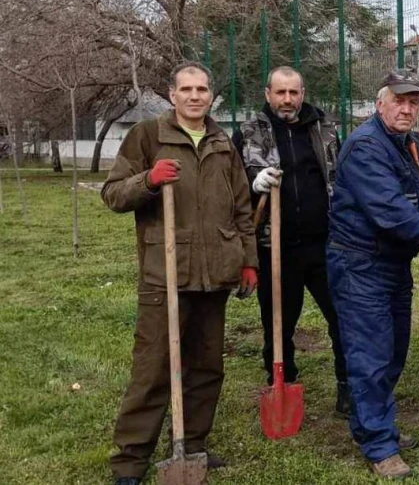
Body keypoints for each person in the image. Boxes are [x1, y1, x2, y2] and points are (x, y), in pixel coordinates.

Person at [102, 62, 257, 485]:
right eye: (186, 89)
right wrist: (148, 181)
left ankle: (193, 446)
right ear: (172, 94)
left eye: (202, 89)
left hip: (216, 272)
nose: (194, 96)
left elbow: (242, 206)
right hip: (165, 271)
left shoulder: (223, 139)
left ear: (211, 96)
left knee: (206, 367)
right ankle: (131, 462)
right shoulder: (148, 136)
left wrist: (247, 260)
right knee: (153, 370)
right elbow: (113, 194)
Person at [328, 70, 419, 478]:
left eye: (413, 102)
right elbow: (390, 210)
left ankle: (374, 424)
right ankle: (378, 445)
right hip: (360, 264)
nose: (407, 108)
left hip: (392, 264)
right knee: (370, 354)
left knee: (393, 351)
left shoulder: (411, 145)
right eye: (399, 100)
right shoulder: (365, 148)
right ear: (380, 104)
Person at [232, 66, 349, 417]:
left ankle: (348, 386)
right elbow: (233, 186)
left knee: (343, 316)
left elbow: (338, 176)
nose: (287, 100)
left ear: (302, 93)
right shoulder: (249, 133)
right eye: (280, 93)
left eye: (293, 93)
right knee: (278, 320)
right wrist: (253, 184)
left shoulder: (324, 128)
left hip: (324, 243)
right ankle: (281, 379)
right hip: (275, 246)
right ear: (268, 93)